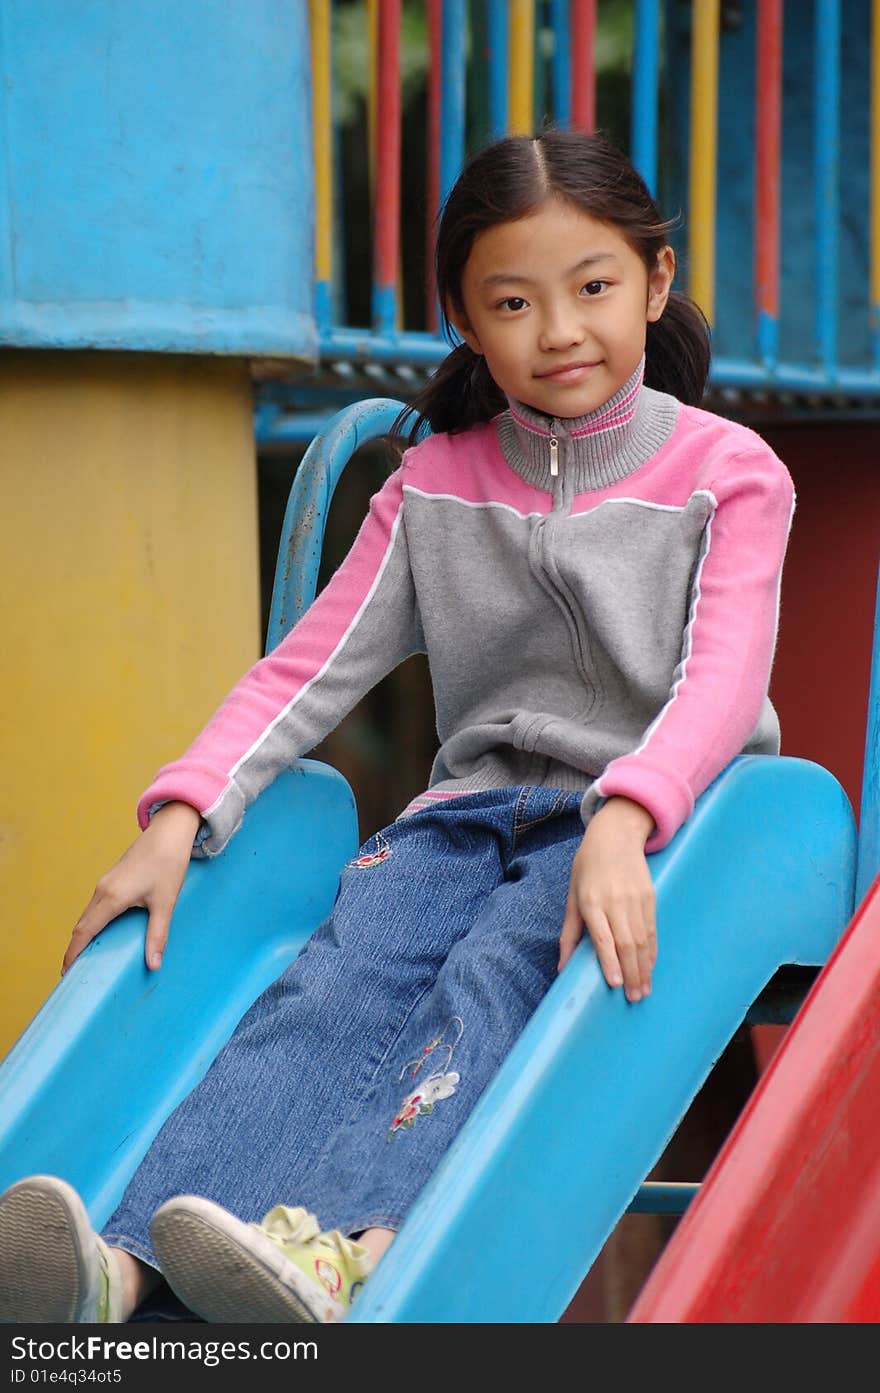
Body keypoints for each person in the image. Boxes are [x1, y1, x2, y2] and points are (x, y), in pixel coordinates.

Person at [0, 127, 795, 1325]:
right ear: (468, 324)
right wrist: (179, 814)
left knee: (493, 974)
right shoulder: (433, 489)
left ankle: (345, 1244)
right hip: (467, 814)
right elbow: (301, 674)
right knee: (333, 981)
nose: (561, 330)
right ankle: (122, 1263)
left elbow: (721, 682)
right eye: (513, 303)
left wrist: (627, 816)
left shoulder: (726, 472)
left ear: (656, 283)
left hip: (664, 824)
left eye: (593, 289)